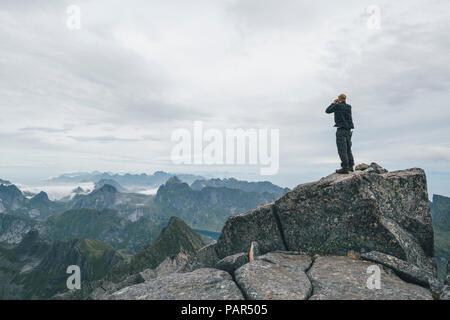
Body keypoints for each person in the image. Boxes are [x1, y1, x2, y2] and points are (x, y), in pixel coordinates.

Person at [326, 94, 354, 174]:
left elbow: (327, 111)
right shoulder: (349, 107)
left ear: (338, 99)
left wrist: (333, 103)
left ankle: (345, 167)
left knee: (342, 149)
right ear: (345, 99)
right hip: (348, 130)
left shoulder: (337, 106)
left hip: (340, 129)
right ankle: (351, 167)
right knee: (348, 148)